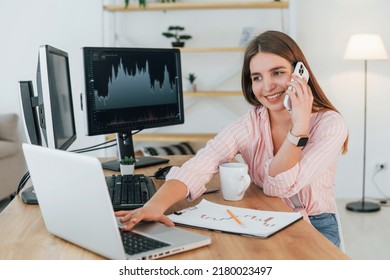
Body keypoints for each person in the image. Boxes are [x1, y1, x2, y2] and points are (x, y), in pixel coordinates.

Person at [116, 30, 349, 248]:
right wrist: (153, 206)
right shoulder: (249, 124)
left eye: (277, 72)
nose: (267, 86)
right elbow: (201, 164)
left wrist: (299, 128)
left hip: (316, 225)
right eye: (257, 77)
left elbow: (280, 186)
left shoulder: (330, 125)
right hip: (266, 217)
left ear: (300, 74)